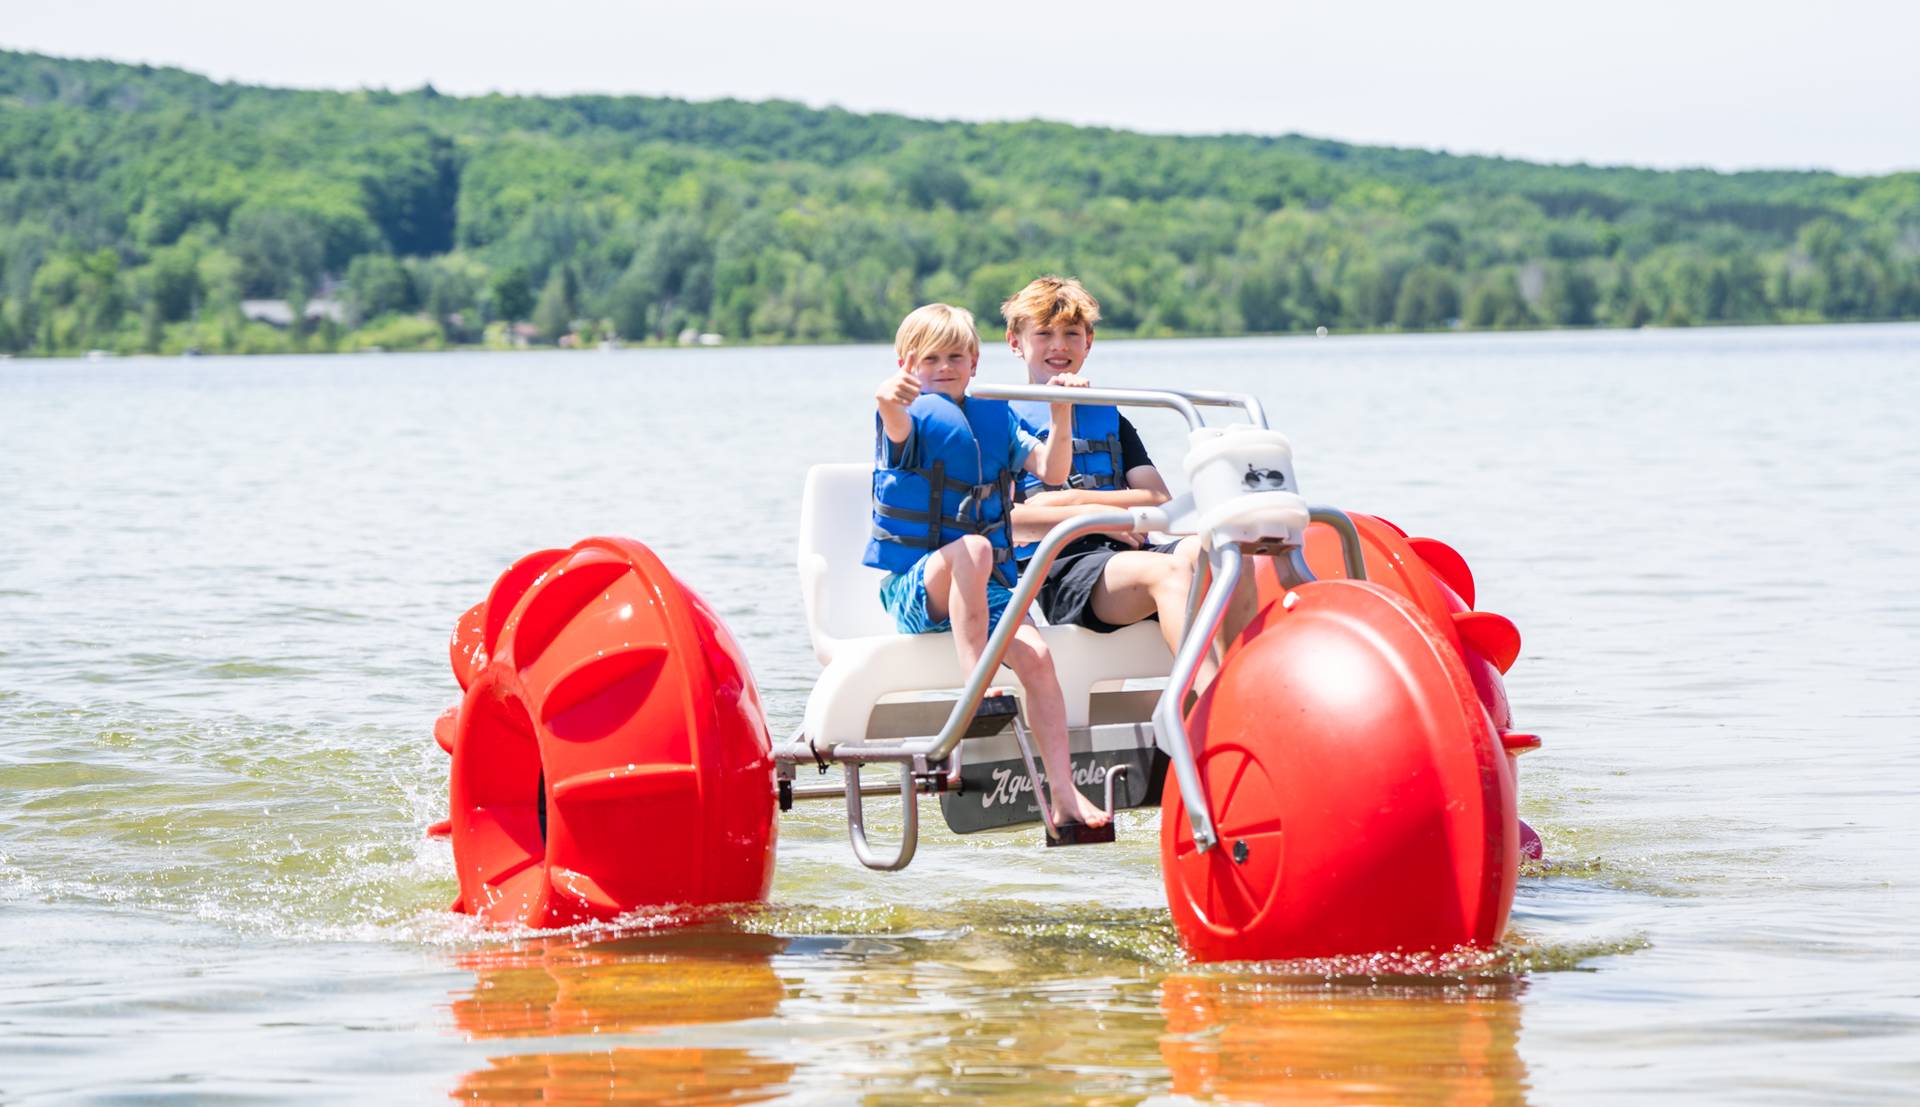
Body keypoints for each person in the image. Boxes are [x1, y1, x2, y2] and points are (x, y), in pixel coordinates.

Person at [865, 303, 1111, 830]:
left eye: (956, 356)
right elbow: (893, 418)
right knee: (973, 550)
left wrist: (1061, 412)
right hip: (919, 590)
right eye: (931, 359)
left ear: (975, 361)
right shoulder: (906, 418)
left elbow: (1053, 470)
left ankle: (1066, 797)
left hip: (989, 593)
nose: (946, 367)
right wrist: (888, 398)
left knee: (1039, 658)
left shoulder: (996, 419)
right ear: (908, 364)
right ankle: (975, 689)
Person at [1000, 276, 1254, 688]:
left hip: (1129, 548)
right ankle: (1215, 704)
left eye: (1071, 334)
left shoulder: (1111, 420)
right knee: (1167, 571)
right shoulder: (1001, 422)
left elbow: (1155, 497)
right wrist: (1101, 516)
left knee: (1228, 552)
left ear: (1089, 342)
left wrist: (1075, 504)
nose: (1059, 345)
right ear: (1016, 342)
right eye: (1043, 333)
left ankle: (1246, 682)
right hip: (1060, 570)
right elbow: (1009, 520)